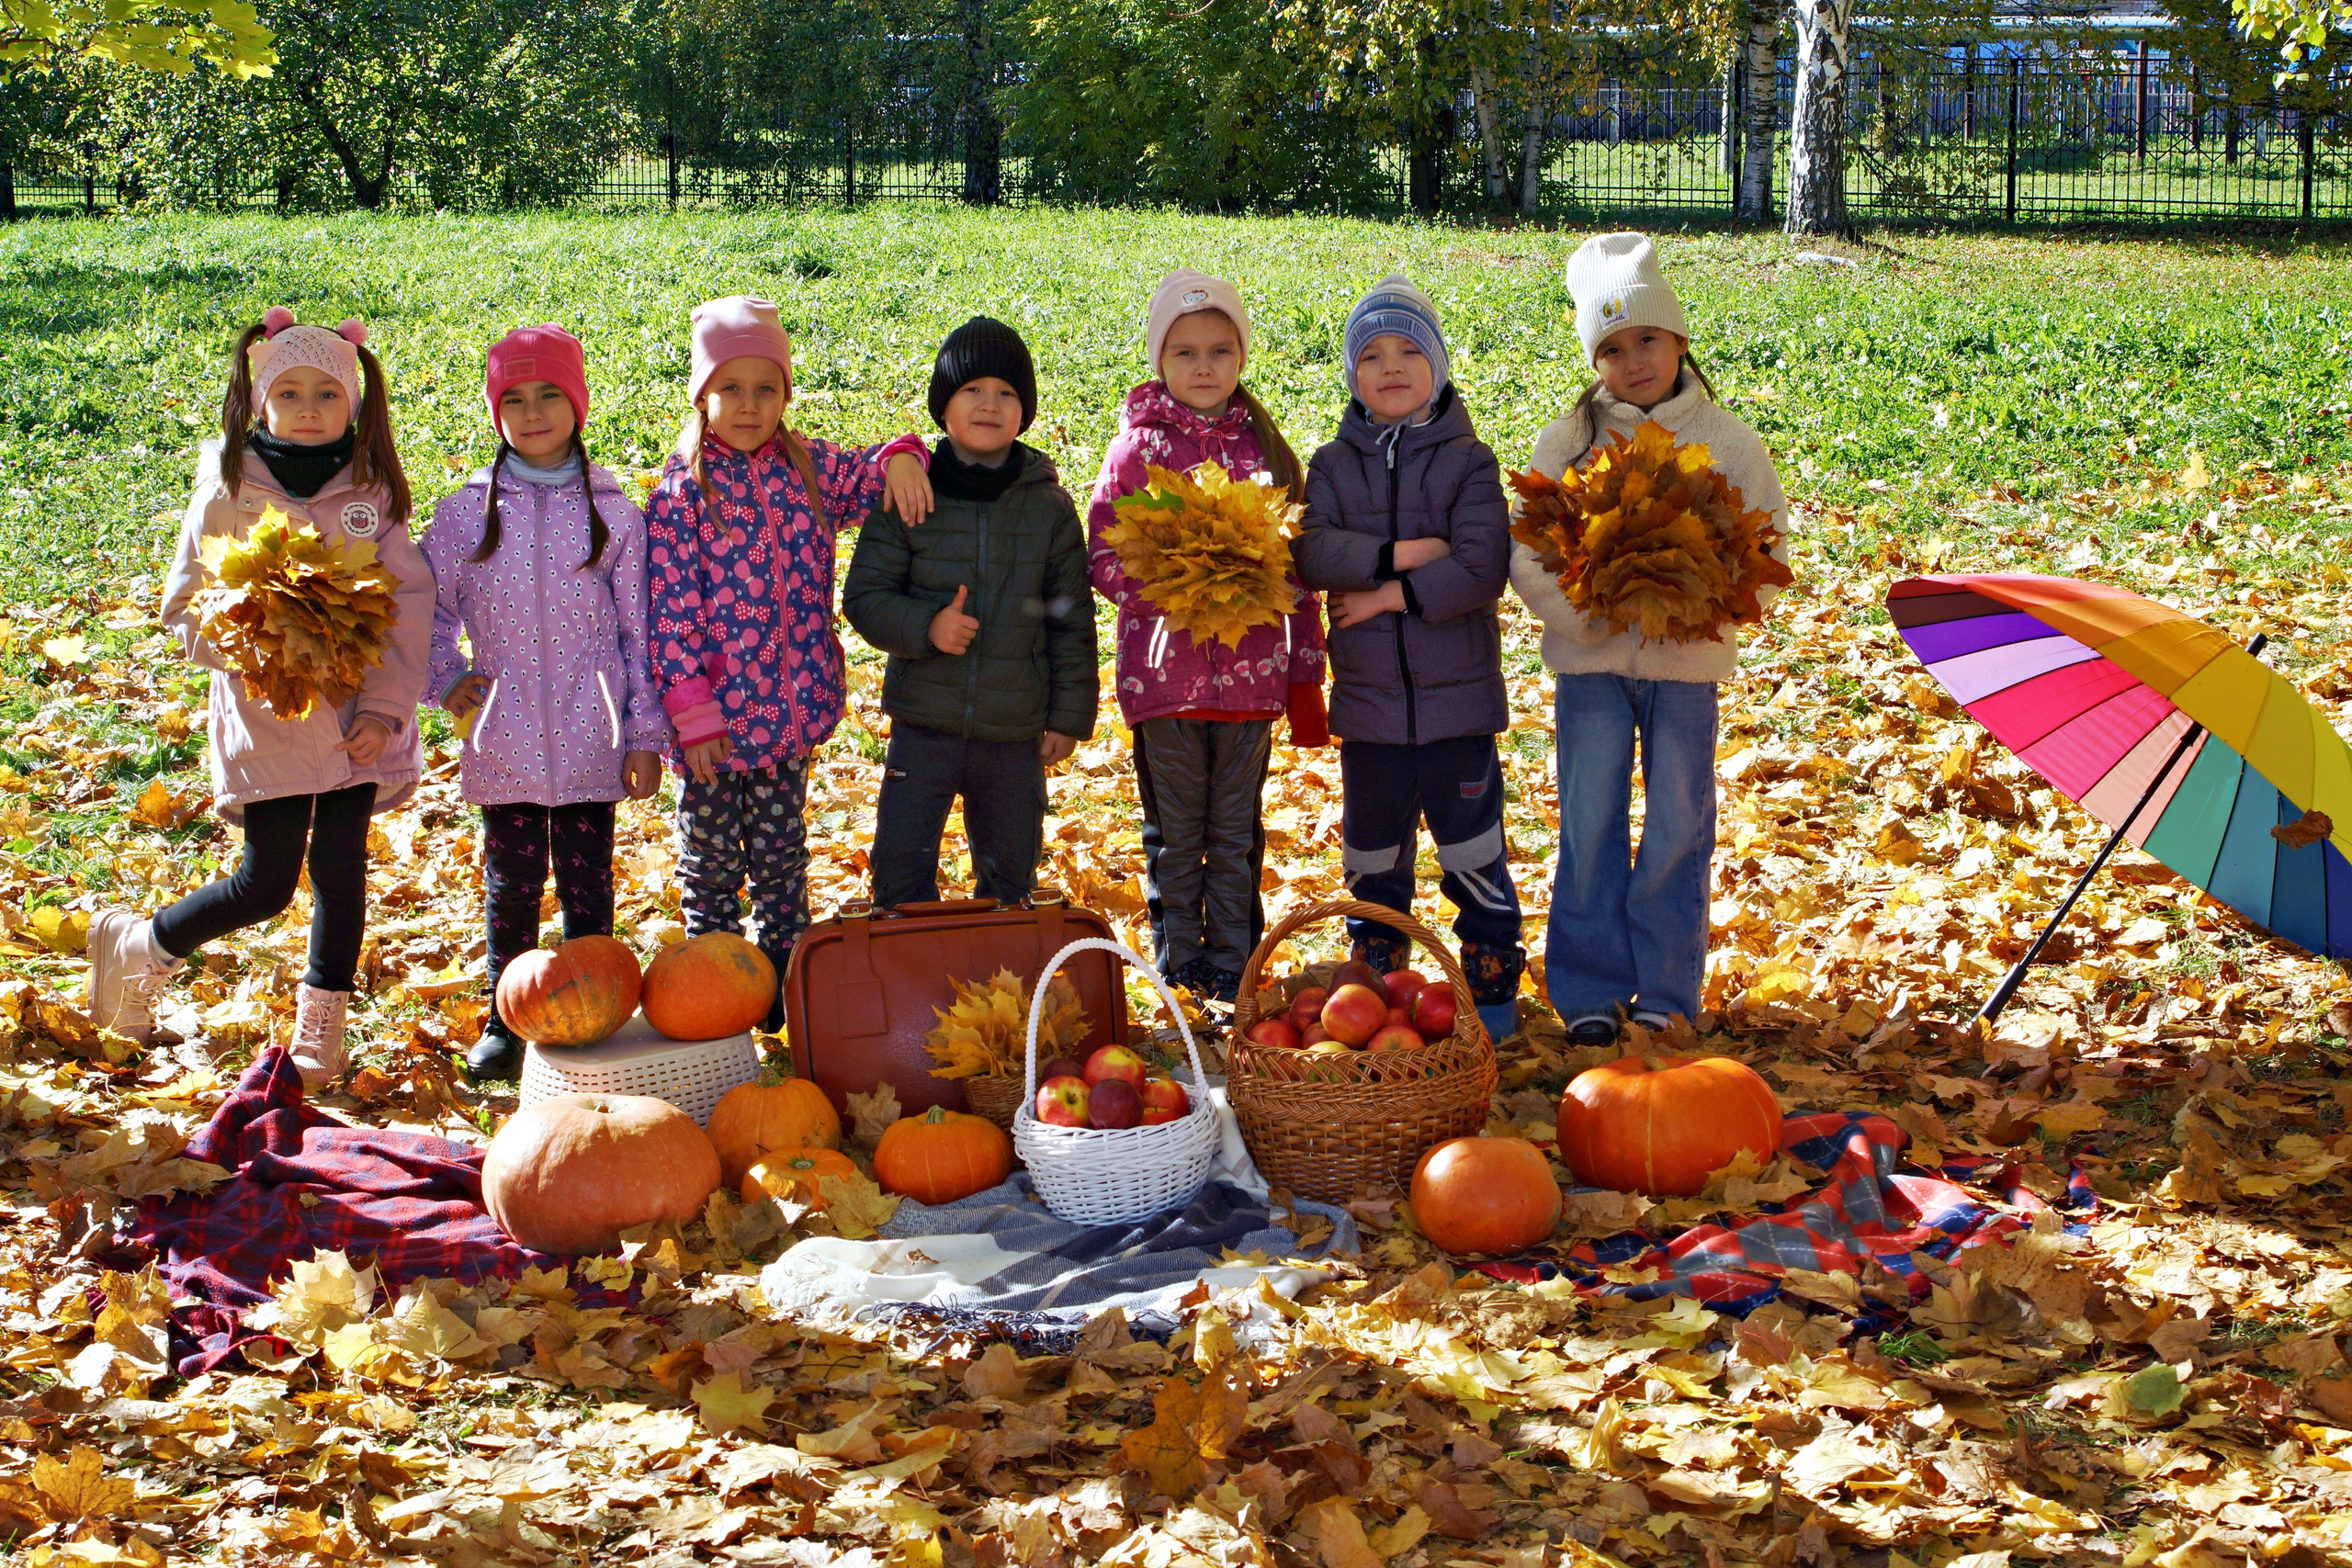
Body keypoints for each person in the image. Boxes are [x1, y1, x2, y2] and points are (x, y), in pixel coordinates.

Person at [89, 310, 432, 1085]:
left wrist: (384, 712)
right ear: (259, 400)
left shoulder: (371, 493)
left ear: (355, 403)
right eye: (289, 393)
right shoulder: (228, 488)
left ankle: (322, 1024)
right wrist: (254, 636)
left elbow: (408, 608)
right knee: (267, 882)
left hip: (355, 724)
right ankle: (142, 946)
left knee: (342, 870)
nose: (309, 410)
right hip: (268, 718)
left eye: (326, 394)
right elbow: (184, 607)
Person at [1515, 231, 1791, 1044]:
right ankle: (1591, 987)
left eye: (1647, 339)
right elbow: (1529, 551)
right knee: (1589, 816)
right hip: (1591, 665)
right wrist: (1588, 613)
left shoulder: (1730, 442)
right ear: (1593, 360)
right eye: (1612, 347)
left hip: (1686, 669)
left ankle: (1668, 986)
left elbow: (1765, 547)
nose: (1634, 361)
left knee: (1678, 817)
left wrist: (1702, 604)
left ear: (1678, 341)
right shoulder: (1568, 445)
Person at [644, 296, 933, 1026]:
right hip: (711, 732)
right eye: (729, 388)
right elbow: (670, 614)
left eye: (765, 388)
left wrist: (904, 456)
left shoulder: (807, 468)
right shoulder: (682, 492)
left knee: (780, 856)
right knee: (710, 865)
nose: (748, 405)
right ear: (701, 394)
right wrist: (691, 713)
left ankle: (782, 982)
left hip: (786, 719)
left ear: (786, 394)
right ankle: (716, 989)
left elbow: (874, 476)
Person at [421, 324, 667, 1082]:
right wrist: (445, 677)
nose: (532, 413)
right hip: (505, 736)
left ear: (578, 404)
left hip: (595, 733)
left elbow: (641, 630)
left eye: (549, 395)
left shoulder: (615, 514)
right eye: (514, 399)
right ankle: (507, 1017)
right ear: (496, 411)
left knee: (589, 879)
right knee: (512, 881)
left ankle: (595, 1009)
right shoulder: (465, 514)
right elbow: (428, 611)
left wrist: (643, 732)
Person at [1292, 276, 1523, 1045]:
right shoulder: (1331, 465)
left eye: (1409, 350)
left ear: (1439, 365)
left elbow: (1480, 566)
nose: (1391, 367)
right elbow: (1315, 548)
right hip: (1370, 709)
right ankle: (1378, 987)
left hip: (1457, 706)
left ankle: (1491, 990)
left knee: (1472, 849)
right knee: (1372, 853)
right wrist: (1401, 552)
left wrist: (1389, 594)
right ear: (1352, 374)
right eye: (1372, 355)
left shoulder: (1468, 462)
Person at [1085, 270, 1327, 1001]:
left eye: (1220, 350)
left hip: (1252, 685)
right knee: (1175, 832)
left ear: (1242, 358)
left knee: (1237, 833)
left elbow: (1298, 573)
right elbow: (1100, 549)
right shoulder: (1137, 451)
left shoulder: (1266, 453)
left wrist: (1305, 674)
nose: (1202, 365)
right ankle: (1178, 962)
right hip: (1165, 683)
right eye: (1185, 350)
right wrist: (1164, 589)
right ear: (1160, 359)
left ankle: (1232, 963)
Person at [843, 316, 1097, 909]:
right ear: (943, 407)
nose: (989, 404)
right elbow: (865, 597)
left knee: (1011, 871)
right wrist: (926, 626)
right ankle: (910, 974)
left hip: (1013, 733)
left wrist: (1068, 714)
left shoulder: (1049, 507)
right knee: (901, 863)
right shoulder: (911, 493)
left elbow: (1071, 617)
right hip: (923, 724)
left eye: (1006, 393)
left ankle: (1002, 984)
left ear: (1025, 410)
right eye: (972, 391)